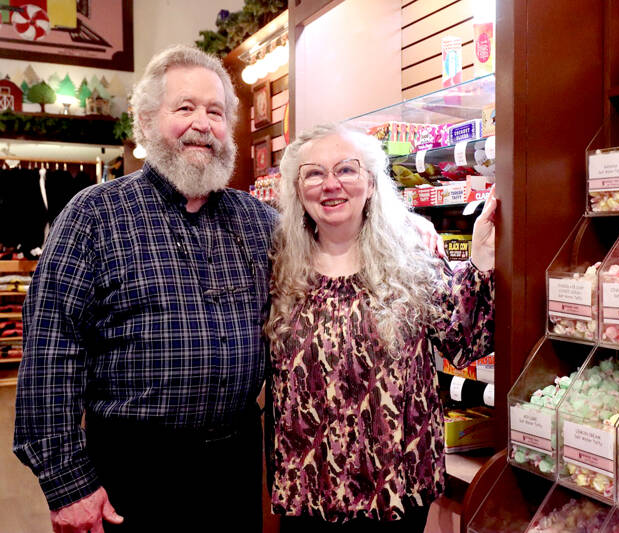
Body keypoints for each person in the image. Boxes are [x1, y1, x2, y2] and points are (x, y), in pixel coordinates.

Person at [13, 45, 276, 533]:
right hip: (130, 474)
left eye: (215, 111)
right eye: (185, 108)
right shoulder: (93, 215)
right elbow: (51, 349)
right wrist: (67, 484)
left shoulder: (260, 222)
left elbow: (331, 265)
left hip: (235, 466)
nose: (203, 123)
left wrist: (402, 230)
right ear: (148, 120)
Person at [264, 123, 496, 532]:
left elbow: (463, 342)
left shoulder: (414, 260)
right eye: (314, 173)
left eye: (347, 170)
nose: (330, 184)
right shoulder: (276, 266)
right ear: (298, 190)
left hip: (396, 485)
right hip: (308, 484)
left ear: (371, 183)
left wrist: (480, 259)